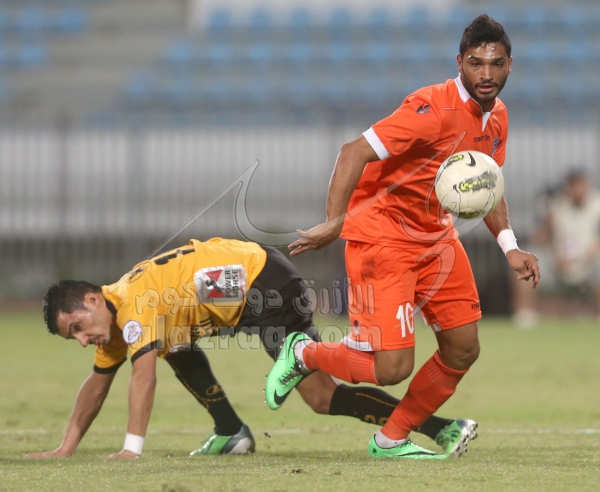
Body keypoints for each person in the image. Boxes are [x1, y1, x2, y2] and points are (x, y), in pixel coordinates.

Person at [265, 15, 540, 459]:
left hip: (435, 238)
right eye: (476, 63)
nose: (486, 73)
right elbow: (352, 152)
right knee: (392, 367)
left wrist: (509, 245)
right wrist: (334, 221)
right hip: (383, 237)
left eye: (496, 63)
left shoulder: (498, 118)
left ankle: (390, 439)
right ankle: (303, 353)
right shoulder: (430, 109)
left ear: (511, 65)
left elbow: (485, 187)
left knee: (463, 348)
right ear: (460, 63)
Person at [26, 238, 476, 460]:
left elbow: (143, 377)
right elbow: (97, 384)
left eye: (78, 327)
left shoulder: (134, 306)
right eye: (73, 337)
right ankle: (231, 430)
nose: (82, 340)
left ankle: (438, 428)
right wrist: (66, 448)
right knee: (175, 344)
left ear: (92, 300)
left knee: (322, 397)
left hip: (267, 285)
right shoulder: (119, 316)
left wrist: (132, 448)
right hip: (250, 286)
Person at [513, 170, 600, 326]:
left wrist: (581, 257)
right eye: (574, 186)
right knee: (526, 262)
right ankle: (525, 315)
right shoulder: (556, 205)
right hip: (557, 264)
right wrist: (547, 221)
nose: (578, 190)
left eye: (581, 185)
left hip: (587, 263)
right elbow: (538, 238)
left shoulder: (596, 205)